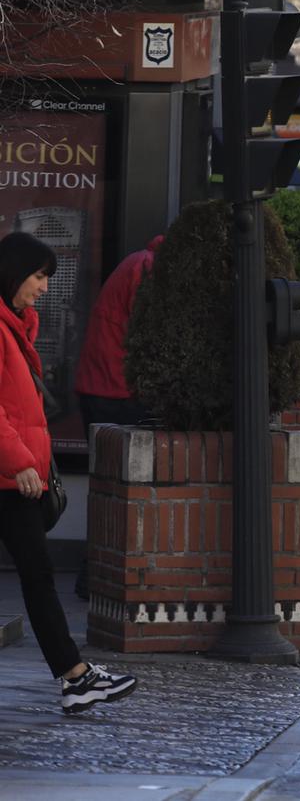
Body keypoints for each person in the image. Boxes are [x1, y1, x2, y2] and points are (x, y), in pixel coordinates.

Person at [0, 232, 138, 712]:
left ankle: (75, 678)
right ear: (14, 272)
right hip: (9, 478)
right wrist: (19, 462)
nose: (42, 287)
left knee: (39, 578)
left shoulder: (15, 327)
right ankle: (75, 677)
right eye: (38, 276)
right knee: (38, 577)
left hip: (17, 477)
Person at [75, 235, 162, 429]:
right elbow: (149, 330)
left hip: (107, 386)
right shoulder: (148, 265)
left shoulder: (141, 261)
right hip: (118, 390)